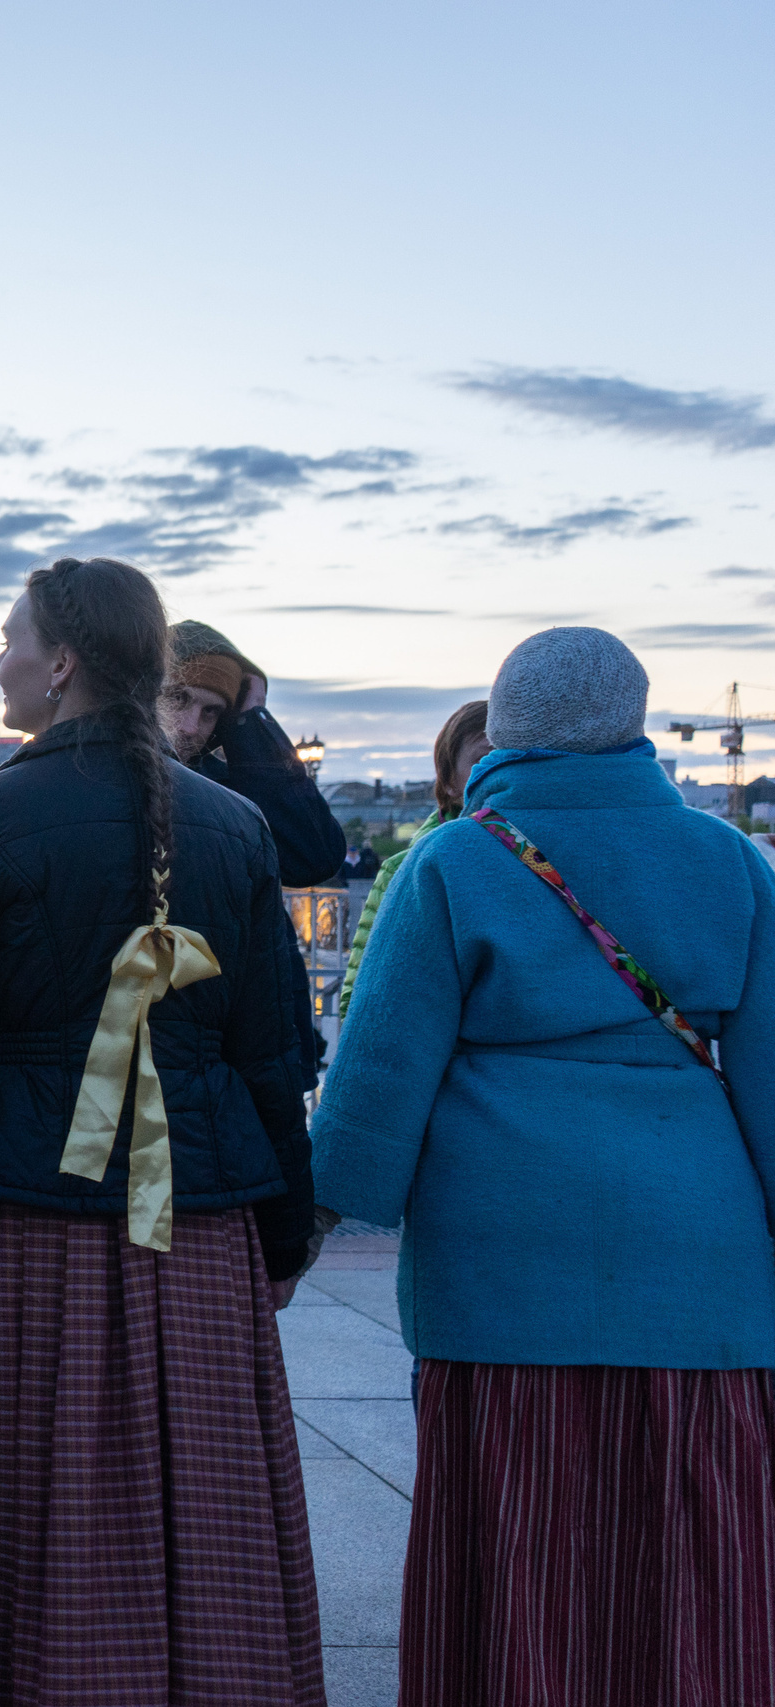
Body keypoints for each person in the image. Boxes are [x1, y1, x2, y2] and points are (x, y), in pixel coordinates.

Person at [0, 557, 323, 1705]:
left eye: (7, 639)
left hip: (31, 1218)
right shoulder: (231, 826)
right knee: (195, 1503)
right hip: (199, 1225)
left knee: (24, 1502)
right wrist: (283, 1236)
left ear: (63, 662)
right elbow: (272, 1054)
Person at [312, 628, 775, 1705]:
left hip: (502, 1259)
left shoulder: (457, 859)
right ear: (633, 722)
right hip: (695, 1257)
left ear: (506, 722)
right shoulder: (728, 861)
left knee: (523, 1535)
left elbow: (380, 1071)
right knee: (692, 1541)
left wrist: (317, 1218)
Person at [162, 619, 343, 1086]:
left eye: (210, 713)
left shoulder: (225, 792)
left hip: (244, 1053)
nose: (189, 727)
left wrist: (250, 722)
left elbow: (314, 855)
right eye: (178, 699)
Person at [338, 700, 488, 1018]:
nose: (501, 770)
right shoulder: (402, 870)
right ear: (449, 783)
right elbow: (359, 997)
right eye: (485, 759)